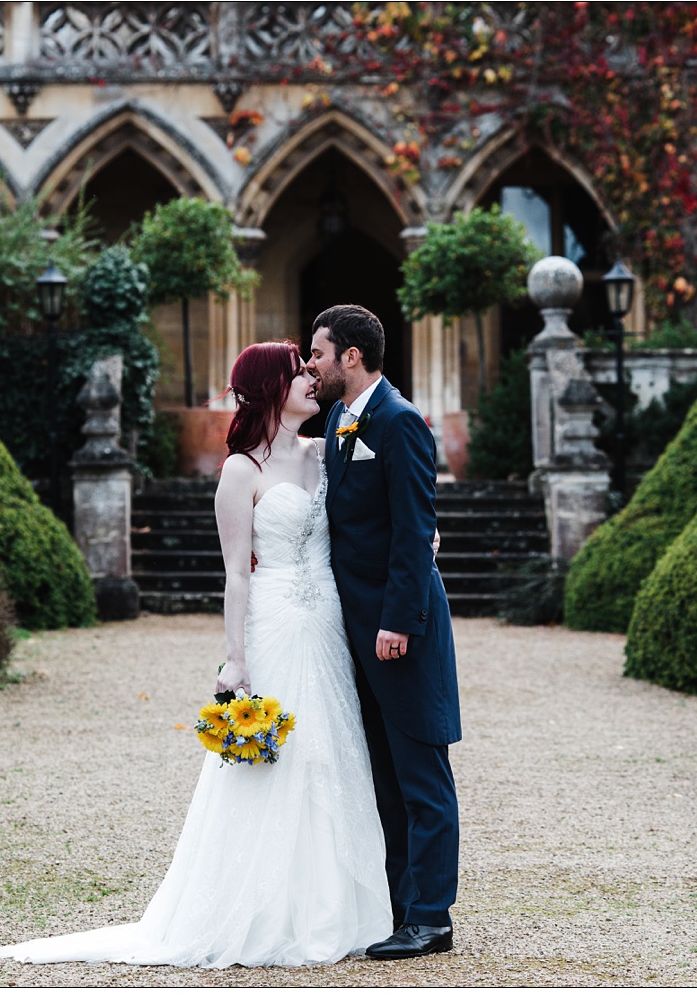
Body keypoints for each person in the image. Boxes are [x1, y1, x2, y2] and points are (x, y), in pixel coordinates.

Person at [0, 341, 394, 968]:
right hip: (275, 623)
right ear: (269, 388)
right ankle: (260, 909)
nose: (313, 380)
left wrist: (424, 531)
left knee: (332, 752)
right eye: (298, 373)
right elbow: (237, 574)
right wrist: (235, 659)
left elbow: (376, 507)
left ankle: (335, 908)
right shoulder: (240, 472)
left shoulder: (328, 451)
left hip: (328, 625)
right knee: (276, 761)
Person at [307, 304, 462, 960]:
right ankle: (399, 906)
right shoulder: (342, 421)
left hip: (401, 629)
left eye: (316, 352)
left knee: (422, 774)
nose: (309, 364)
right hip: (356, 630)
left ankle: (432, 917)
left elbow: (411, 529)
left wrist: (398, 620)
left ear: (350, 356)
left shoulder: (399, 421)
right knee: (384, 778)